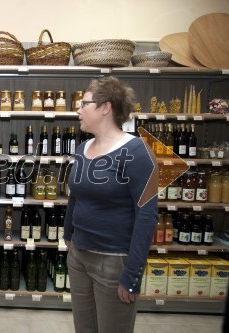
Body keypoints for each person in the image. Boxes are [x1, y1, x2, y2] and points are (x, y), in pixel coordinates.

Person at [63, 76, 158, 333]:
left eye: (84, 104)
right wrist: (68, 234)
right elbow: (75, 195)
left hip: (114, 261)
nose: (78, 109)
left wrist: (133, 274)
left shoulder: (138, 153)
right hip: (79, 256)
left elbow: (147, 216)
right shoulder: (83, 148)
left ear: (106, 107)